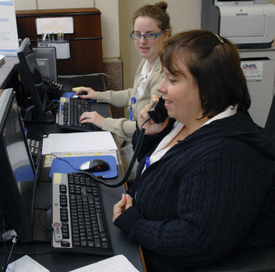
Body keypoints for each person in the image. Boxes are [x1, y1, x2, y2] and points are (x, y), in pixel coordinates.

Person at [112, 29, 275, 271]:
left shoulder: (226, 157)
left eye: (173, 79)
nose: (160, 88)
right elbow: (161, 169)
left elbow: (197, 240)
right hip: (140, 246)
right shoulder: (185, 120)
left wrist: (134, 224)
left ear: (208, 88)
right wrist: (151, 134)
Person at [77, 1, 171, 176]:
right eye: (137, 34)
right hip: (131, 140)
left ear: (166, 34)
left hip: (143, 150)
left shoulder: (163, 77)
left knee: (94, 171)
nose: (142, 41)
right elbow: (133, 94)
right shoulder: (148, 61)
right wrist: (99, 95)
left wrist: (104, 122)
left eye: (150, 35)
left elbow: (144, 127)